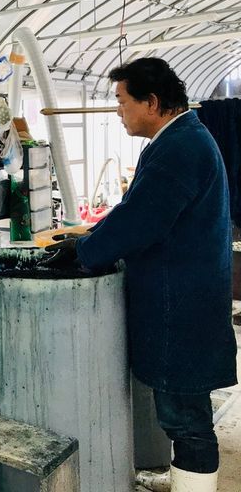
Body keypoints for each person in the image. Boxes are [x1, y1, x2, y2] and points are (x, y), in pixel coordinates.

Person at [42, 57, 237, 492]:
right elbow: (133, 211)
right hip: (185, 291)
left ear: (152, 102)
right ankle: (184, 479)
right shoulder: (175, 140)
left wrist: (86, 251)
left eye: (122, 101)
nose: (117, 110)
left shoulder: (180, 148)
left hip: (181, 302)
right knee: (180, 411)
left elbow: (141, 222)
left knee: (186, 418)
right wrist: (89, 237)